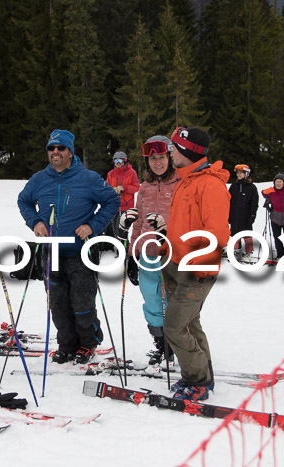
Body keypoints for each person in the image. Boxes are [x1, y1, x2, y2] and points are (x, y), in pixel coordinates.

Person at [17, 129, 120, 364]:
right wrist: (35, 222)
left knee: (82, 303)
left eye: (60, 148)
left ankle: (87, 343)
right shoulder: (39, 179)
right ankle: (66, 345)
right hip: (51, 252)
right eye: (51, 148)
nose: (55, 152)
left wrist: (92, 226)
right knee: (58, 304)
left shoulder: (89, 179)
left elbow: (112, 201)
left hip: (80, 251)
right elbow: (23, 201)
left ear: (70, 152)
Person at [161, 126, 230, 402]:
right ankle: (204, 374)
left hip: (195, 270)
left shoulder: (210, 185)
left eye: (175, 148)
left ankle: (197, 381)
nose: (170, 152)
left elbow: (217, 235)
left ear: (189, 151)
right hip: (175, 265)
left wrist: (199, 268)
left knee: (174, 326)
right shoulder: (186, 181)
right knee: (190, 323)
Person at [119, 135, 180, 366]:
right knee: (151, 301)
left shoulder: (180, 183)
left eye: (162, 157)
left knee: (171, 303)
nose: (158, 163)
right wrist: (132, 256)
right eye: (153, 158)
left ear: (170, 157)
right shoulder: (144, 187)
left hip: (170, 254)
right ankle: (161, 345)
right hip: (146, 253)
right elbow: (139, 220)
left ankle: (177, 345)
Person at [105, 151, 140, 241]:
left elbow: (136, 187)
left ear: (124, 161)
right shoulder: (110, 174)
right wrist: (112, 191)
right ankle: (117, 250)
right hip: (114, 206)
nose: (118, 162)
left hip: (126, 207)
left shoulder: (131, 172)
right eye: (116, 160)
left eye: (120, 160)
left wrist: (124, 188)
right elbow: (106, 188)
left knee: (123, 231)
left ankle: (125, 250)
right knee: (115, 230)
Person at [228, 164, 259, 261]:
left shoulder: (252, 188)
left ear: (247, 174)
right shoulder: (234, 186)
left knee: (247, 235)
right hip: (234, 216)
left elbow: (254, 204)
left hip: (246, 216)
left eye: (241, 173)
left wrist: (252, 216)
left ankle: (249, 252)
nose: (239, 175)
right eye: (238, 173)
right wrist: (228, 215)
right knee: (234, 234)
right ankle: (236, 251)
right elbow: (228, 201)